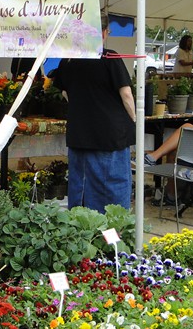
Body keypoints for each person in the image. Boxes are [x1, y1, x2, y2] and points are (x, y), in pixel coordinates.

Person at [52, 21, 136, 213]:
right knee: (111, 191)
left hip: (79, 133)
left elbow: (66, 94)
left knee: (80, 188)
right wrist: (134, 120)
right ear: (104, 32)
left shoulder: (68, 59)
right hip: (109, 134)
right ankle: (110, 236)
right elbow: (126, 95)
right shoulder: (110, 57)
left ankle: (81, 232)